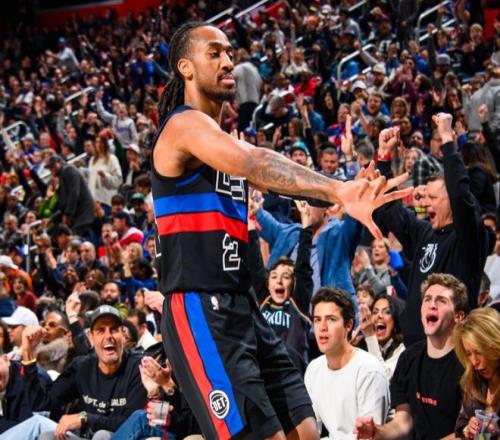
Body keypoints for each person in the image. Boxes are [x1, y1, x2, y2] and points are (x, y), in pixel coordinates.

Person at [152, 22, 410, 440]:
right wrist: (338, 190)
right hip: (200, 307)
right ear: (185, 67)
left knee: (305, 429)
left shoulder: (220, 140)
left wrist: (349, 187)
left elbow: (272, 174)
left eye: (229, 52)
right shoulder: (183, 127)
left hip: (241, 304)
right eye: (214, 53)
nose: (228, 61)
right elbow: (255, 163)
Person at [374, 115, 493, 344]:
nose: (425, 203)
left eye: (433, 198)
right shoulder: (424, 233)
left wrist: (447, 140)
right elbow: (390, 208)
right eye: (425, 197)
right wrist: (384, 157)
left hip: (451, 349)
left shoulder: (469, 238)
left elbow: (461, 195)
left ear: (451, 202)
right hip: (414, 349)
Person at [0, 305, 148, 440]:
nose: (108, 336)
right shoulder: (82, 367)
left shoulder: (138, 367)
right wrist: (28, 354)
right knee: (46, 434)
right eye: (100, 330)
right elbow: (42, 404)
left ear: (123, 335)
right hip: (86, 437)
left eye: (114, 329)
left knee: (102, 435)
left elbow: (134, 422)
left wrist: (86, 418)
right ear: (91, 338)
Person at [354, 273, 468, 439]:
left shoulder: (467, 364)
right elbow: (402, 423)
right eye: (427, 299)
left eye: (441, 301)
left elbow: (466, 432)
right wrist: (376, 431)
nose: (432, 305)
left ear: (458, 316)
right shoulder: (408, 358)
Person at [305, 287, 390, 438]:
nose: (322, 327)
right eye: (317, 320)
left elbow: (368, 437)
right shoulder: (313, 369)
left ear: (349, 325)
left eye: (331, 319)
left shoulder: (369, 370)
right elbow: (312, 431)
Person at [453, 307, 500, 438]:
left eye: (478, 352)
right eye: (468, 353)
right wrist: (467, 429)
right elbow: (460, 425)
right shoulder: (473, 381)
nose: (474, 362)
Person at [357, 294, 405, 379]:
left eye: (387, 312)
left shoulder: (403, 349)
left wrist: (370, 337)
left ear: (396, 319)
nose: (379, 316)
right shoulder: (362, 346)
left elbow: (383, 378)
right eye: (375, 312)